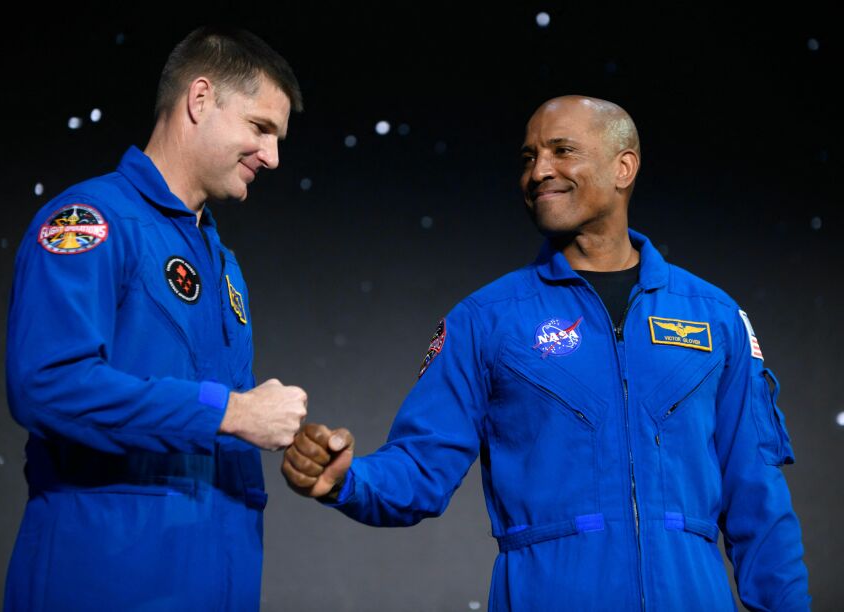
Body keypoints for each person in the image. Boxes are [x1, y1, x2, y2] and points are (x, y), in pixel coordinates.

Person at [281, 96, 811, 610]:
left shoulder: (714, 317)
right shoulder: (485, 320)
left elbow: (758, 500)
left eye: (562, 151)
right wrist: (346, 481)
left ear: (623, 167)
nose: (538, 172)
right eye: (529, 157)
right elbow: (420, 469)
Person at [5, 25, 308, 611]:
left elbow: (214, 427)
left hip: (214, 581)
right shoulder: (90, 221)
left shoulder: (224, 265)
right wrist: (230, 412)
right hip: (103, 581)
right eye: (260, 128)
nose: (272, 157)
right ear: (200, 100)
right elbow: (47, 386)